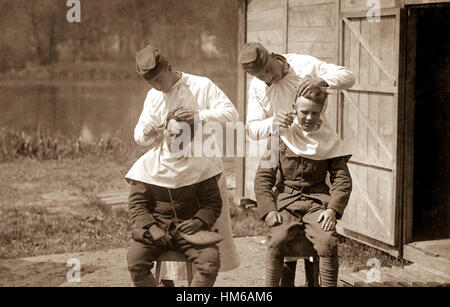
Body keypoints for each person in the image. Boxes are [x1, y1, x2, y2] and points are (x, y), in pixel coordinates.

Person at [125, 44, 240, 286]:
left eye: (159, 79)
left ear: (169, 68)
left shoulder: (201, 85)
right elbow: (140, 137)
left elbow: (232, 115)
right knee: (164, 224)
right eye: (151, 83)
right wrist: (147, 132)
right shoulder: (153, 97)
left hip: (203, 168)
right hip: (165, 169)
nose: (157, 86)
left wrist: (200, 116)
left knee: (206, 236)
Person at [254, 86, 352, 287]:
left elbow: (342, 180)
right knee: (277, 239)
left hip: (317, 203)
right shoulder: (280, 136)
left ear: (321, 111)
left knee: (328, 241)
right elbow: (263, 177)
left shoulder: (329, 140)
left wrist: (333, 210)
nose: (308, 117)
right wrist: (269, 211)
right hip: (285, 202)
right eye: (304, 112)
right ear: (294, 109)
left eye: (314, 113)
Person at [238, 42, 355, 140]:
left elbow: (349, 77)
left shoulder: (303, 65)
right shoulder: (256, 86)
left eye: (268, 69)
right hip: (284, 151)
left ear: (273, 56)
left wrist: (321, 81)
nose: (268, 78)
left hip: (317, 141)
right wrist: (274, 122)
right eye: (260, 76)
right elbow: (252, 130)